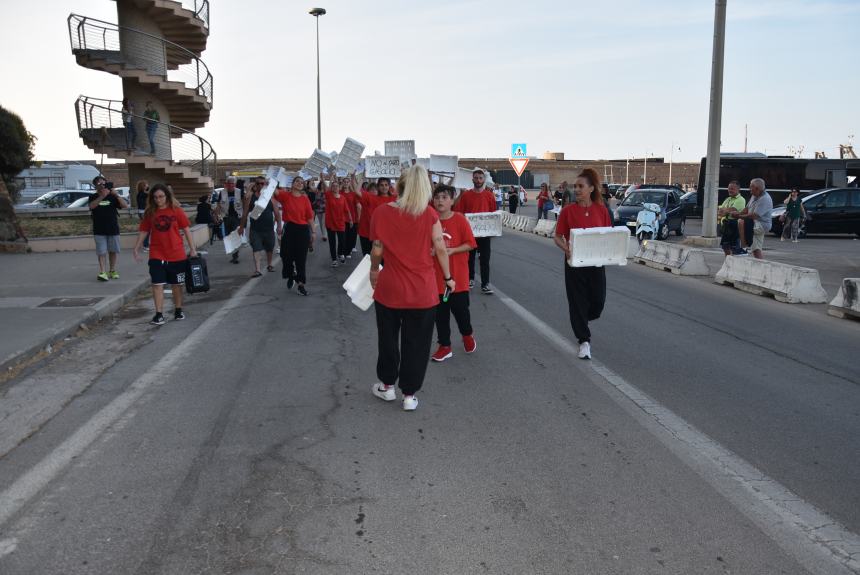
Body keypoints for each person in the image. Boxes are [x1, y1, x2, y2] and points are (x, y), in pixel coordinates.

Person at [369, 165, 455, 411]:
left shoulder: (381, 212)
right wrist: (448, 277)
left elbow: (377, 249)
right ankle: (409, 395)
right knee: (416, 344)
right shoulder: (429, 215)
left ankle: (386, 386)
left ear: (399, 185)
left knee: (387, 339)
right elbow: (439, 248)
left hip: (390, 288)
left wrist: (374, 270)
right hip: (422, 292)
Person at [553, 168, 612, 360]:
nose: (577, 190)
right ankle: (584, 341)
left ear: (591, 188)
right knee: (577, 302)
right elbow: (558, 236)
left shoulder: (602, 211)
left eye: (581, 186)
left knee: (598, 302)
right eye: (575, 186)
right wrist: (567, 249)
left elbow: (607, 237)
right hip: (574, 264)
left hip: (596, 264)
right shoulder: (568, 211)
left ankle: (581, 318)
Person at [133, 183, 197, 325]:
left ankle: (178, 310)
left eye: (161, 197)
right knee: (157, 284)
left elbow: (186, 230)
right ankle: (159, 314)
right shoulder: (150, 213)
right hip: (157, 253)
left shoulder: (176, 211)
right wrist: (136, 247)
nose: (158, 200)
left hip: (176, 254)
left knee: (176, 285)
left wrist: (193, 249)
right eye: (155, 197)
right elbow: (144, 230)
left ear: (167, 196)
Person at [429, 184, 477, 362]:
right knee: (440, 315)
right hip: (436, 279)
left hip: (458, 279)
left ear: (452, 201)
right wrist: (431, 251)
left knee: (461, 312)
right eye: (437, 197)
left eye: (444, 197)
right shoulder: (429, 220)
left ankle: (467, 335)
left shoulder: (460, 219)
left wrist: (452, 250)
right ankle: (445, 346)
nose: (440, 201)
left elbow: (470, 244)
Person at [453, 168, 496, 294]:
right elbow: (459, 212)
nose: (478, 180)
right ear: (472, 179)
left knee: (485, 259)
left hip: (485, 233)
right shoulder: (466, 195)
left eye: (480, 178)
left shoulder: (489, 195)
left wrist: (493, 229)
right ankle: (470, 279)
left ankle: (485, 284)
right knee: (469, 258)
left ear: (484, 180)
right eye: (476, 178)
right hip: (469, 233)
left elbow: (493, 213)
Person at [274, 175, 314, 296]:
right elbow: (273, 190)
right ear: (292, 184)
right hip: (289, 228)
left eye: (302, 182)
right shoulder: (285, 195)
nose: (299, 183)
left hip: (302, 230)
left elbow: (309, 217)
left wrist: (313, 232)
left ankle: (300, 285)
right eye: (297, 181)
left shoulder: (305, 199)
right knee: (285, 255)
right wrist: (271, 179)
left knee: (301, 259)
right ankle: (291, 275)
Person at [87, 175, 129, 281]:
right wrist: (101, 196)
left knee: (113, 251)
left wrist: (117, 195)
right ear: (96, 186)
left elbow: (125, 206)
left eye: (103, 183)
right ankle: (102, 272)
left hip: (113, 228)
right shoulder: (93, 196)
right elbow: (91, 206)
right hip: (99, 229)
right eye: (99, 184)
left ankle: (112, 270)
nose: (102, 185)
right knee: (101, 252)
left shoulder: (112, 196)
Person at [239, 176, 281, 277]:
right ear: (255, 185)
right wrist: (241, 227)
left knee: (269, 248)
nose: (261, 185)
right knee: (256, 248)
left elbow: (277, 213)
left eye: (263, 183)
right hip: (255, 229)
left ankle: (269, 264)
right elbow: (244, 213)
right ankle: (257, 269)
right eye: (258, 183)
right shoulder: (250, 197)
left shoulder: (270, 197)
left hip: (269, 228)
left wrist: (279, 226)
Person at [736, 178, 773, 259]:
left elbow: (753, 215)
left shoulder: (765, 199)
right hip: (754, 222)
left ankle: (743, 248)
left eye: (751, 187)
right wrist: (738, 213)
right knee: (756, 249)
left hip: (762, 224)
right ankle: (761, 266)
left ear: (757, 188)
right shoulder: (754, 195)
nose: (749, 189)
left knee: (741, 221)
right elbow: (746, 209)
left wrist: (738, 216)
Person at [324, 177, 349, 266]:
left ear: (339, 187)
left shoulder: (343, 198)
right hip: (330, 223)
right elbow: (326, 186)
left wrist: (350, 219)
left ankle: (340, 253)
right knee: (332, 242)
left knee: (342, 241)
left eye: (337, 186)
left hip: (341, 223)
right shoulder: (328, 195)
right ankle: (334, 260)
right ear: (331, 188)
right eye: (333, 186)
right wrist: (327, 178)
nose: (335, 188)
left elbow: (346, 210)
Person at [717, 180, 746, 256]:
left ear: (738, 189)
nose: (730, 190)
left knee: (734, 249)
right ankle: (728, 264)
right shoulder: (728, 199)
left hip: (735, 226)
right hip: (726, 226)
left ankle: (734, 265)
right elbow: (720, 212)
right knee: (725, 247)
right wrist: (724, 211)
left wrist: (725, 210)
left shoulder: (741, 200)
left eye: (732, 189)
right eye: (729, 188)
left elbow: (730, 210)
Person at [219, 176, 243, 263]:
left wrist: (244, 217)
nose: (231, 185)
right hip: (226, 217)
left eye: (232, 183)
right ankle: (234, 254)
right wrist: (217, 216)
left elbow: (244, 202)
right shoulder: (222, 192)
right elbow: (219, 204)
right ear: (226, 184)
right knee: (229, 236)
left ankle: (235, 256)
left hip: (237, 217)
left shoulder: (239, 192)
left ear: (235, 184)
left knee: (235, 235)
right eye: (229, 183)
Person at [135, 180, 150, 249]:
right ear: (143, 186)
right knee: (146, 229)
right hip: (143, 212)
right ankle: (145, 245)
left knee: (147, 228)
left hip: (143, 212)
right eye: (146, 185)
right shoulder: (142, 194)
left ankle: (146, 244)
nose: (147, 186)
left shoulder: (142, 194)